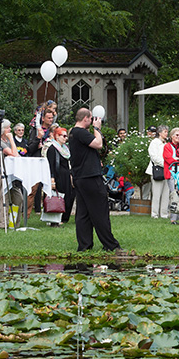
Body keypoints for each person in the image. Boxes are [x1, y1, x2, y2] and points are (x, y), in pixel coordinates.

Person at [68, 108, 122, 252]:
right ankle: (110, 245)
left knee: (83, 213)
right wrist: (97, 129)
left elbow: (86, 152)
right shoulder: (80, 132)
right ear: (85, 118)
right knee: (100, 211)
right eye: (91, 118)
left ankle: (85, 245)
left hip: (80, 177)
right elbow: (98, 144)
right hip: (90, 177)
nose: (93, 121)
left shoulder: (73, 133)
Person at [46, 125, 74, 223]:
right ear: (57, 136)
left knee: (69, 196)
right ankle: (56, 217)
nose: (66, 138)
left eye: (66, 136)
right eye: (64, 136)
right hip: (58, 176)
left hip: (66, 175)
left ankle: (65, 218)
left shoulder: (65, 149)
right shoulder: (52, 148)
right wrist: (52, 179)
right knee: (58, 196)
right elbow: (50, 165)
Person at [149, 125, 170, 219]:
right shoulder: (155, 142)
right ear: (160, 133)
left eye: (167, 132)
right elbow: (154, 157)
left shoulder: (166, 143)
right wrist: (165, 164)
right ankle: (155, 214)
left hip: (167, 170)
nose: (166, 133)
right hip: (158, 170)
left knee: (166, 193)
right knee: (157, 193)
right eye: (165, 132)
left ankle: (164, 213)